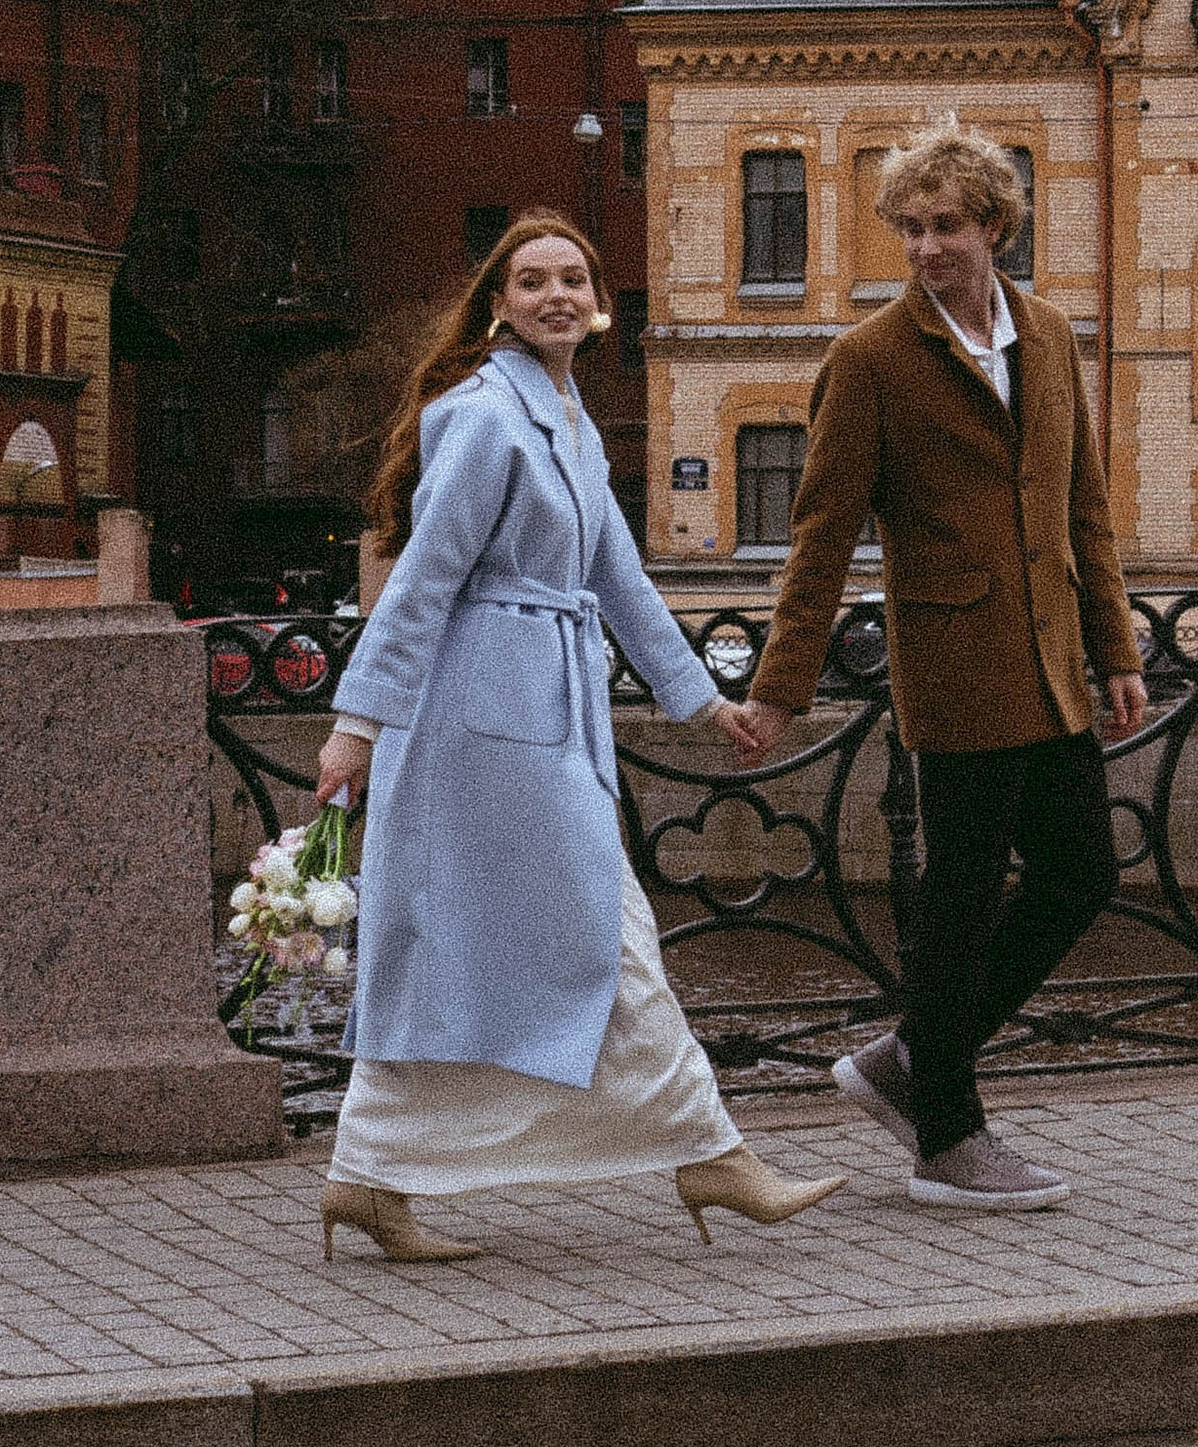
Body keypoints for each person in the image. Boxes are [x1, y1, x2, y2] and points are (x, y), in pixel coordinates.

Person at [309, 213, 842, 1262]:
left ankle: (368, 1176)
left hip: (537, 705)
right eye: (531, 281)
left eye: (573, 279)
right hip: (480, 714)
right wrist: (356, 724)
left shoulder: (564, 413)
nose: (556, 295)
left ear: (598, 303)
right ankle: (708, 1153)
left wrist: (703, 702)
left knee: (474, 946)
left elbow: (618, 580)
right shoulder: (482, 416)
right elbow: (422, 581)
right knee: (602, 927)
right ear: (498, 304)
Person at [744, 126, 1147, 1209]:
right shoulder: (870, 360)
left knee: (1080, 875)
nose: (927, 248)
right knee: (960, 896)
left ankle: (905, 1061)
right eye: (911, 229)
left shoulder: (1052, 337)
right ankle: (947, 1137)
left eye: (947, 226)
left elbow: (1084, 509)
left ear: (995, 229)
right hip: (958, 665)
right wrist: (781, 689)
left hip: (1055, 658)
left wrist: (1116, 647)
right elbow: (820, 537)